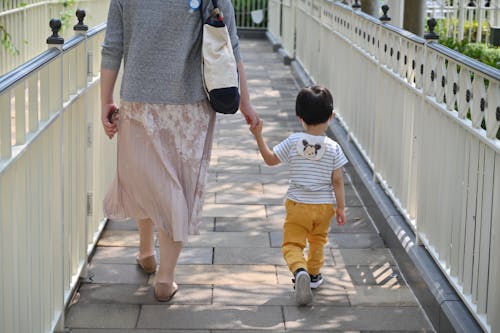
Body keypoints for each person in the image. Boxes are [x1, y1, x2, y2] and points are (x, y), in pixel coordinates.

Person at [100, 0, 259, 302]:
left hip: (138, 100)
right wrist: (246, 102)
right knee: (176, 184)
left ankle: (147, 252)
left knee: (145, 177)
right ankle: (165, 278)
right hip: (190, 105)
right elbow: (230, 43)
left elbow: (112, 46)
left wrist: (105, 100)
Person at [249, 85, 347, 305]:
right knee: (318, 241)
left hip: (297, 206)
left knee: (292, 244)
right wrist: (340, 207)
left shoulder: (294, 141)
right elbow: (338, 180)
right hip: (324, 207)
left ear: (299, 117)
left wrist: (258, 136)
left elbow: (271, 159)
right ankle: (313, 275)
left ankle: (299, 270)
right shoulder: (333, 147)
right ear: (331, 116)